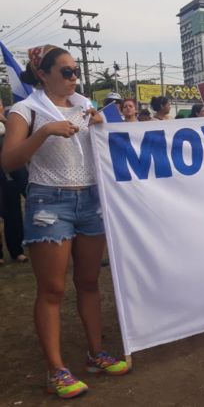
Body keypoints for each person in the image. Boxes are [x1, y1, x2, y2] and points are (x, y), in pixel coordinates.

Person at [1, 45, 129, 399]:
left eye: (76, 71)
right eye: (67, 71)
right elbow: (9, 160)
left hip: (90, 199)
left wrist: (104, 127)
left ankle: (95, 354)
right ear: (43, 74)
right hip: (49, 201)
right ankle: (56, 370)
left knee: (89, 281)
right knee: (53, 289)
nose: (75, 77)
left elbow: (111, 147)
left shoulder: (86, 106)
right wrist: (44, 132)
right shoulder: (24, 110)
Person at [0, 101, 29, 264]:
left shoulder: (9, 125)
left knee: (14, 213)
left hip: (11, 176)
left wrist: (4, 121)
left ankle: (16, 250)